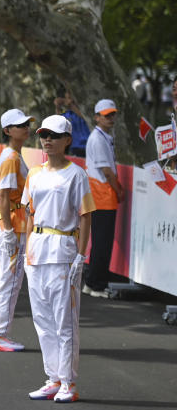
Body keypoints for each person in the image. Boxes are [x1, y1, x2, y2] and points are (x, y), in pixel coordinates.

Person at [23, 115, 94, 403]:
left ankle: (69, 381)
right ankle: (52, 377)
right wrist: (27, 248)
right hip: (38, 248)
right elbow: (30, 213)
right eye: (43, 135)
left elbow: (86, 215)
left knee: (64, 320)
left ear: (67, 140)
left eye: (54, 135)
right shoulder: (34, 173)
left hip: (63, 247)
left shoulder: (76, 174)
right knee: (42, 319)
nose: (47, 140)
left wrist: (81, 254)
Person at [0, 108, 34, 352]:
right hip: (12, 224)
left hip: (14, 222)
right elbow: (3, 196)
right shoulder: (11, 157)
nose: (25, 127)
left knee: (9, 279)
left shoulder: (14, 154)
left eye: (26, 123)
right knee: (10, 279)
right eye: (19, 125)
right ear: (7, 131)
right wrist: (6, 230)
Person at [82, 99, 122, 298]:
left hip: (101, 194)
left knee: (100, 241)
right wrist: (119, 189)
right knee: (102, 242)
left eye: (112, 114)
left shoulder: (103, 136)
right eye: (107, 115)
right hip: (102, 194)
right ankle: (95, 284)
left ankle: (92, 282)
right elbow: (106, 170)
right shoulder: (98, 139)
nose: (110, 118)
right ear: (97, 117)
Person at [56, 92, 89, 157]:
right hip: (75, 147)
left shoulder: (85, 111)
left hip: (88, 146)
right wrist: (58, 107)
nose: (69, 100)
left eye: (71, 98)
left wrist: (71, 105)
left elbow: (85, 117)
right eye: (67, 98)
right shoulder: (69, 113)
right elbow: (58, 121)